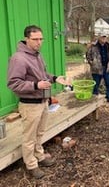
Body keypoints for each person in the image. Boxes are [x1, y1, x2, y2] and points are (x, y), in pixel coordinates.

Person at [7, 25, 70, 179]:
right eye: (35, 39)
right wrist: (36, 85)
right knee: (29, 136)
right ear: (27, 39)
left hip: (42, 101)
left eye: (41, 39)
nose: (39, 42)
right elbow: (13, 83)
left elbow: (42, 75)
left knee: (40, 132)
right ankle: (31, 165)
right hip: (29, 104)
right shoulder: (19, 58)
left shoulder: (37, 55)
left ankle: (39, 156)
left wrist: (55, 78)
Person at [86, 32, 109, 104]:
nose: (104, 38)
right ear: (99, 37)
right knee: (96, 84)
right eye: (102, 37)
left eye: (105, 37)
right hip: (97, 69)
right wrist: (92, 63)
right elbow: (88, 56)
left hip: (107, 68)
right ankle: (94, 97)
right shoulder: (93, 46)